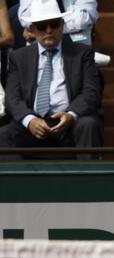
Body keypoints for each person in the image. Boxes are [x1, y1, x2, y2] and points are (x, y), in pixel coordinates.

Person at [0, 0, 103, 157]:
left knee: (89, 124)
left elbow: (91, 92)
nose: (49, 30)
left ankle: (89, 180)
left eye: (54, 24)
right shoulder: (19, 57)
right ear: (32, 29)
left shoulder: (82, 53)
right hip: (33, 123)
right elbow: (13, 98)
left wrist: (71, 114)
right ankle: (14, 182)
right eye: (42, 26)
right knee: (5, 135)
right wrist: (29, 120)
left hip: (70, 122)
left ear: (62, 25)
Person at [19, 0, 98, 46]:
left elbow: (82, 19)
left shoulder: (43, 29)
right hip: (40, 44)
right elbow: (25, 18)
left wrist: (41, 28)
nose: (49, 30)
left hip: (76, 41)